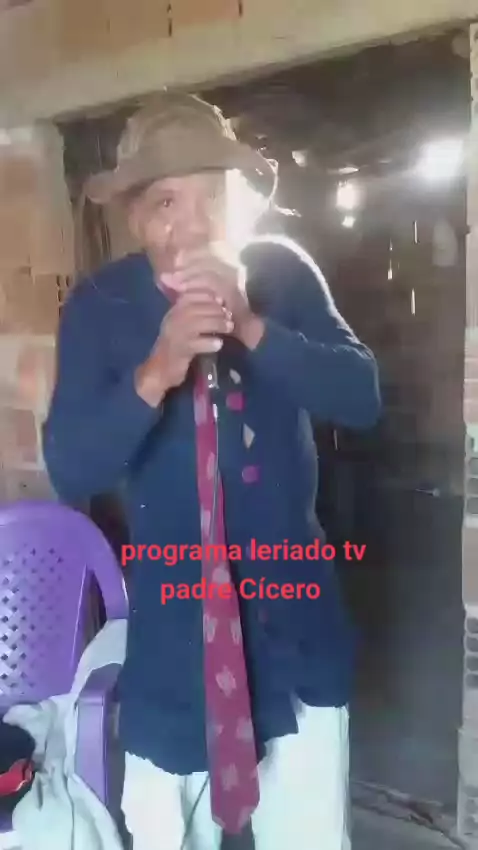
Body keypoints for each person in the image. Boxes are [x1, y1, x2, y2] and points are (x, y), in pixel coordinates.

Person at [42, 92, 381, 850]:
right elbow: (70, 468)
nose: (194, 226)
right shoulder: (100, 306)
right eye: (167, 202)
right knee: (166, 834)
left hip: (296, 631)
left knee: (309, 837)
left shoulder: (282, 273)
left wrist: (253, 326)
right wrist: (156, 371)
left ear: (239, 202)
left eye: (212, 197)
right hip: (174, 646)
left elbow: (361, 398)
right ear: (135, 217)